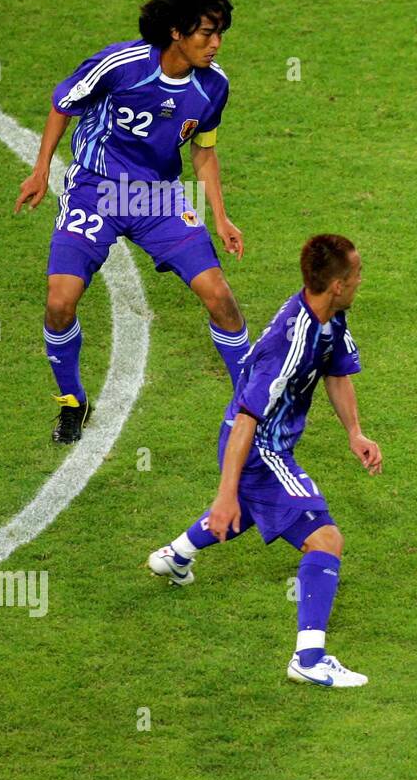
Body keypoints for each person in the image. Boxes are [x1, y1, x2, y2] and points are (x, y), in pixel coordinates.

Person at [14, 0, 248, 443]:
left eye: (220, 32)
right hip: (94, 190)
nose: (216, 43)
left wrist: (220, 217)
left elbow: (203, 150)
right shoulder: (121, 65)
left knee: (220, 296)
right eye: (207, 32)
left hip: (156, 198)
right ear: (177, 32)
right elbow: (64, 103)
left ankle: (252, 406)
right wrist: (42, 170)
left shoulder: (213, 87)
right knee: (60, 302)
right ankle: (72, 401)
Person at [148, 235, 382, 687]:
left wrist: (355, 432)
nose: (360, 280)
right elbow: (245, 420)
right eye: (355, 274)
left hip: (267, 445)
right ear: (336, 284)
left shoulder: (329, 317)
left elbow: (334, 371)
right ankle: (309, 658)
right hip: (256, 448)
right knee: (325, 538)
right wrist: (224, 493)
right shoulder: (289, 345)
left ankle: (176, 556)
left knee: (258, 510)